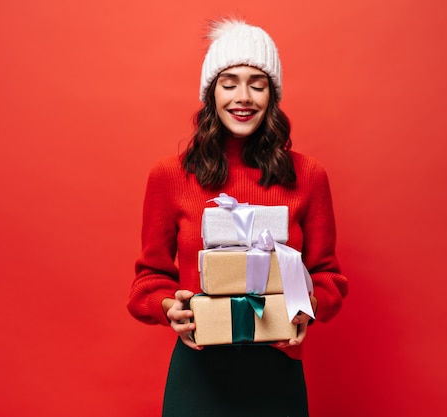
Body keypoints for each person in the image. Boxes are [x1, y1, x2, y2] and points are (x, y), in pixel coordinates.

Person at [127, 18, 348, 417]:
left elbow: (328, 276)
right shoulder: (170, 176)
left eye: (257, 84)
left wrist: (309, 304)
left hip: (277, 373)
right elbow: (147, 280)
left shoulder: (309, 176)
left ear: (272, 95)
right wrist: (167, 305)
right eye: (229, 82)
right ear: (211, 92)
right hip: (198, 374)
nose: (242, 97)